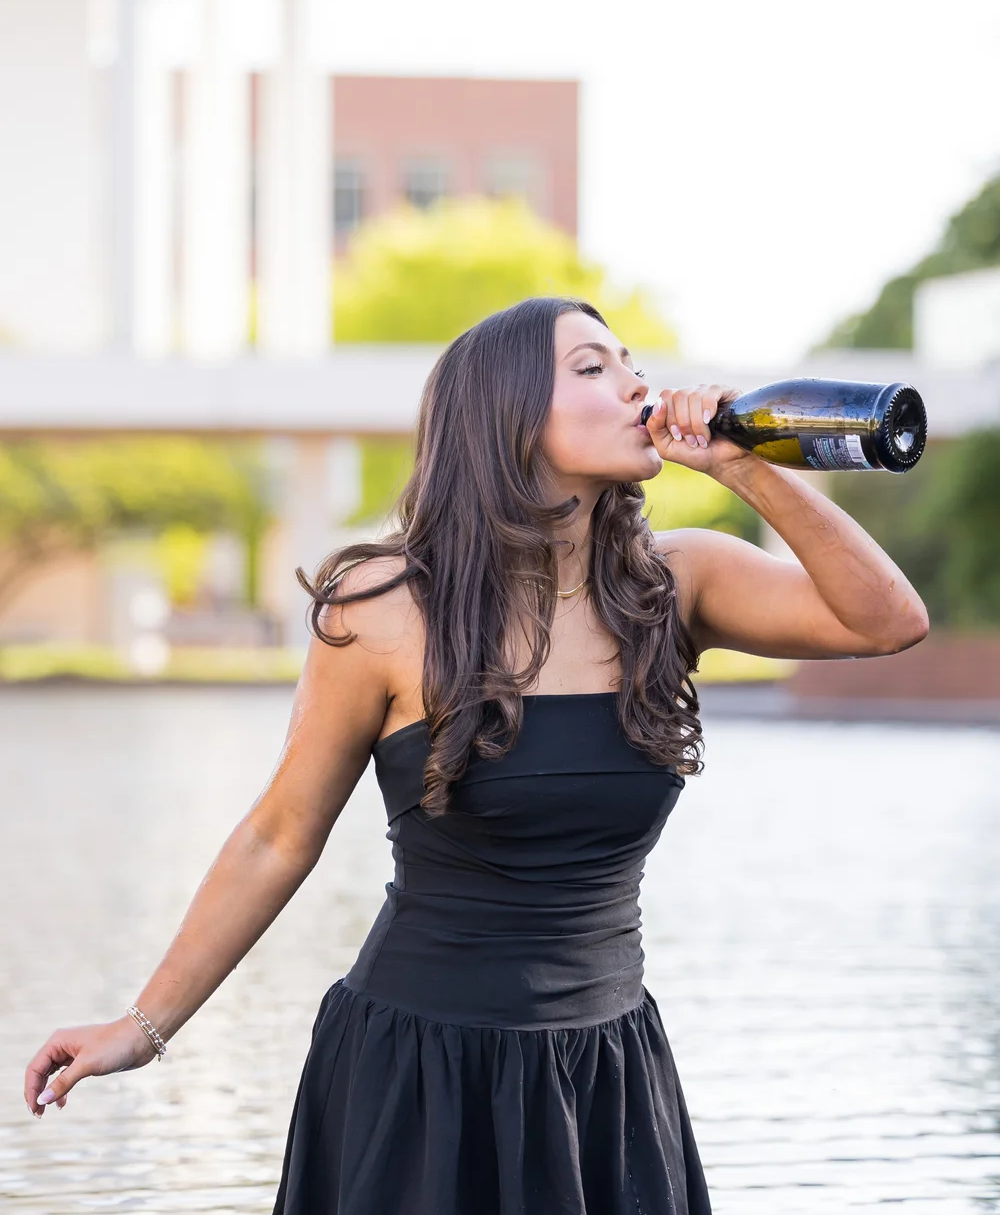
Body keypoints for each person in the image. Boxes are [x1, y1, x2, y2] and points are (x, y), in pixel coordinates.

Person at [24, 297, 929, 1214]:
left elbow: (889, 622)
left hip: (606, 1074)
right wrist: (142, 1027)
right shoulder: (381, 611)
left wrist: (749, 470)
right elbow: (278, 836)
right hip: (418, 1073)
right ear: (505, 414)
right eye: (591, 367)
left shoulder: (675, 582)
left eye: (630, 364)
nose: (636, 385)